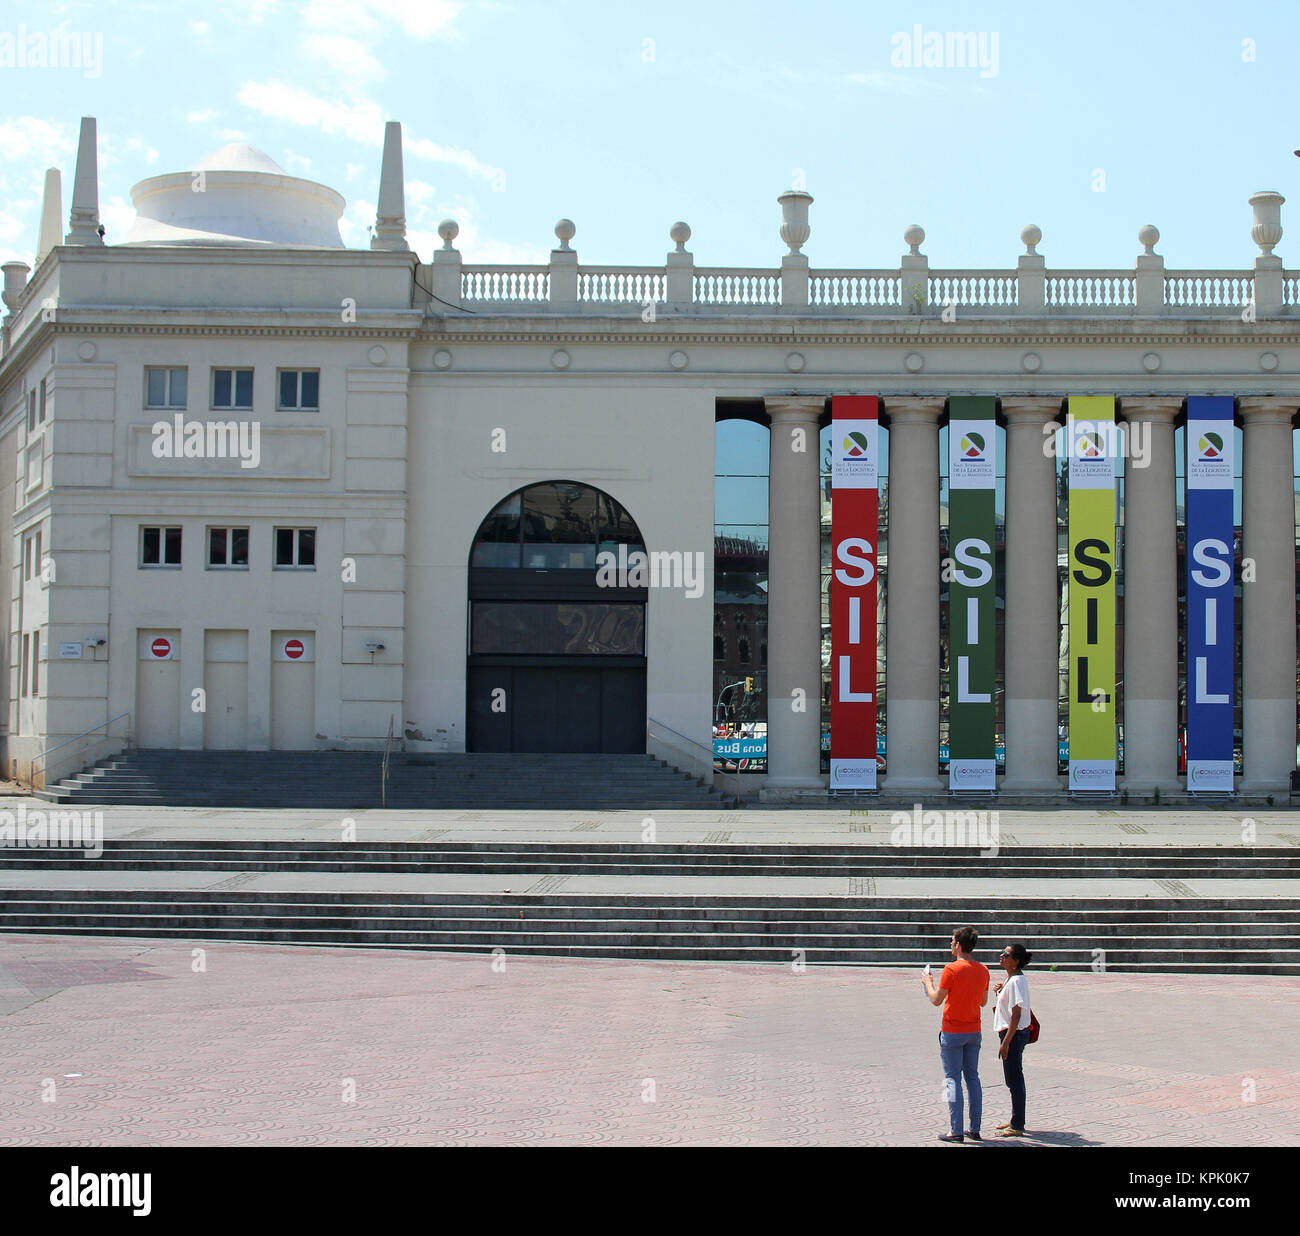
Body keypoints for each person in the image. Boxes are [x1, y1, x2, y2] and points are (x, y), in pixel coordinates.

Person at [921, 927, 990, 1143]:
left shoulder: (951, 969)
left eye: (952, 941)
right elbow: (983, 1002)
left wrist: (928, 982)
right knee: (973, 1078)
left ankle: (956, 1129)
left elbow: (936, 999)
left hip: (952, 1031)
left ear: (958, 945)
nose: (951, 944)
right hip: (974, 1030)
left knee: (952, 1079)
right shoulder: (983, 970)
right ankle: (975, 1128)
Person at [992, 943, 1033, 1137]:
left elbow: (1016, 1015)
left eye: (1006, 955)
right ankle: (1015, 1118)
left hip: (1013, 1034)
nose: (1001, 956)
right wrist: (1000, 991)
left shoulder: (1016, 981)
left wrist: (1006, 1042)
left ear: (1015, 961)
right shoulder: (1012, 978)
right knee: (1013, 1079)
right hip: (1013, 1033)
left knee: (1015, 1080)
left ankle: (1017, 1124)